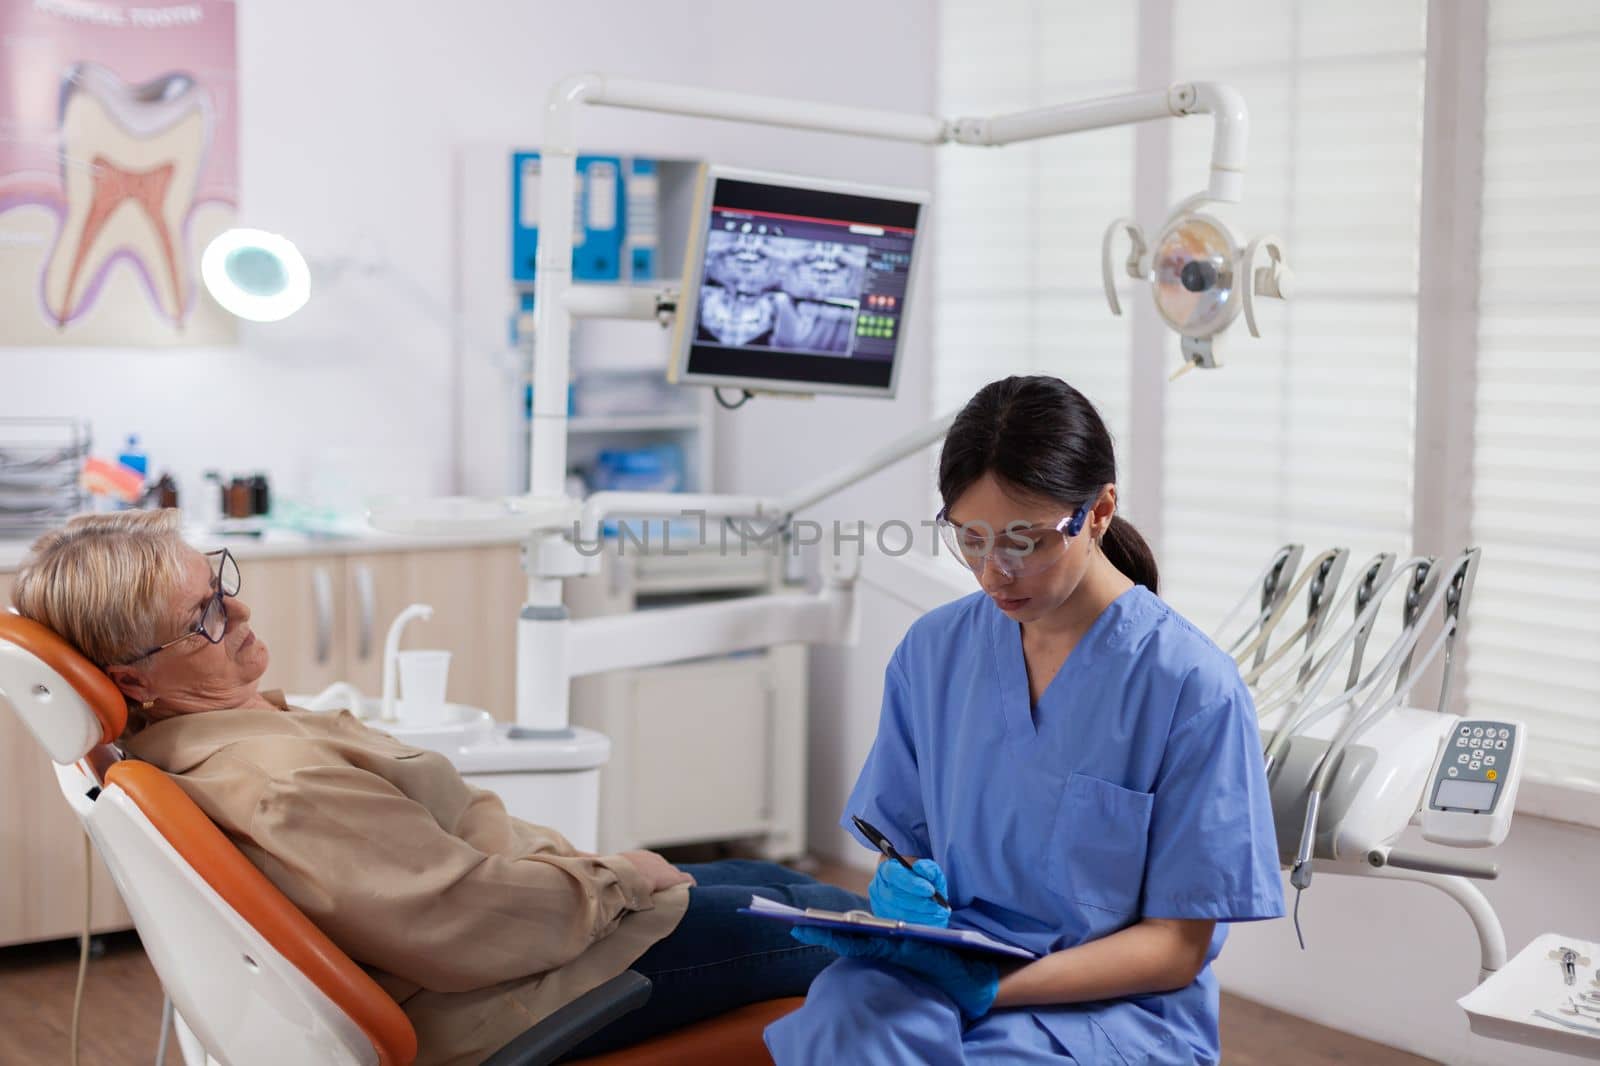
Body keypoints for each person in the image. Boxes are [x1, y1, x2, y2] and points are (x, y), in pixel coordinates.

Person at [12, 510, 864, 1066]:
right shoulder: (276, 781)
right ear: (134, 677)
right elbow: (463, 921)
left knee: (788, 888)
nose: (239, 616)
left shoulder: (216, 739)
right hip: (526, 989)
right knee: (861, 945)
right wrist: (624, 876)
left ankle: (986, 951)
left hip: (540, 942)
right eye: (203, 619)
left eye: (220, 585)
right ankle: (994, 978)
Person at [765, 376, 1285, 1064]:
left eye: (1025, 540)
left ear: (1098, 512)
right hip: (943, 973)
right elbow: (903, 840)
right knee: (841, 1025)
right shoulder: (935, 652)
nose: (993, 573)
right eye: (970, 539)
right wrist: (904, 886)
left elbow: (1175, 949)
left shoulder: (1190, 687)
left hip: (1109, 1010)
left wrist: (986, 991)